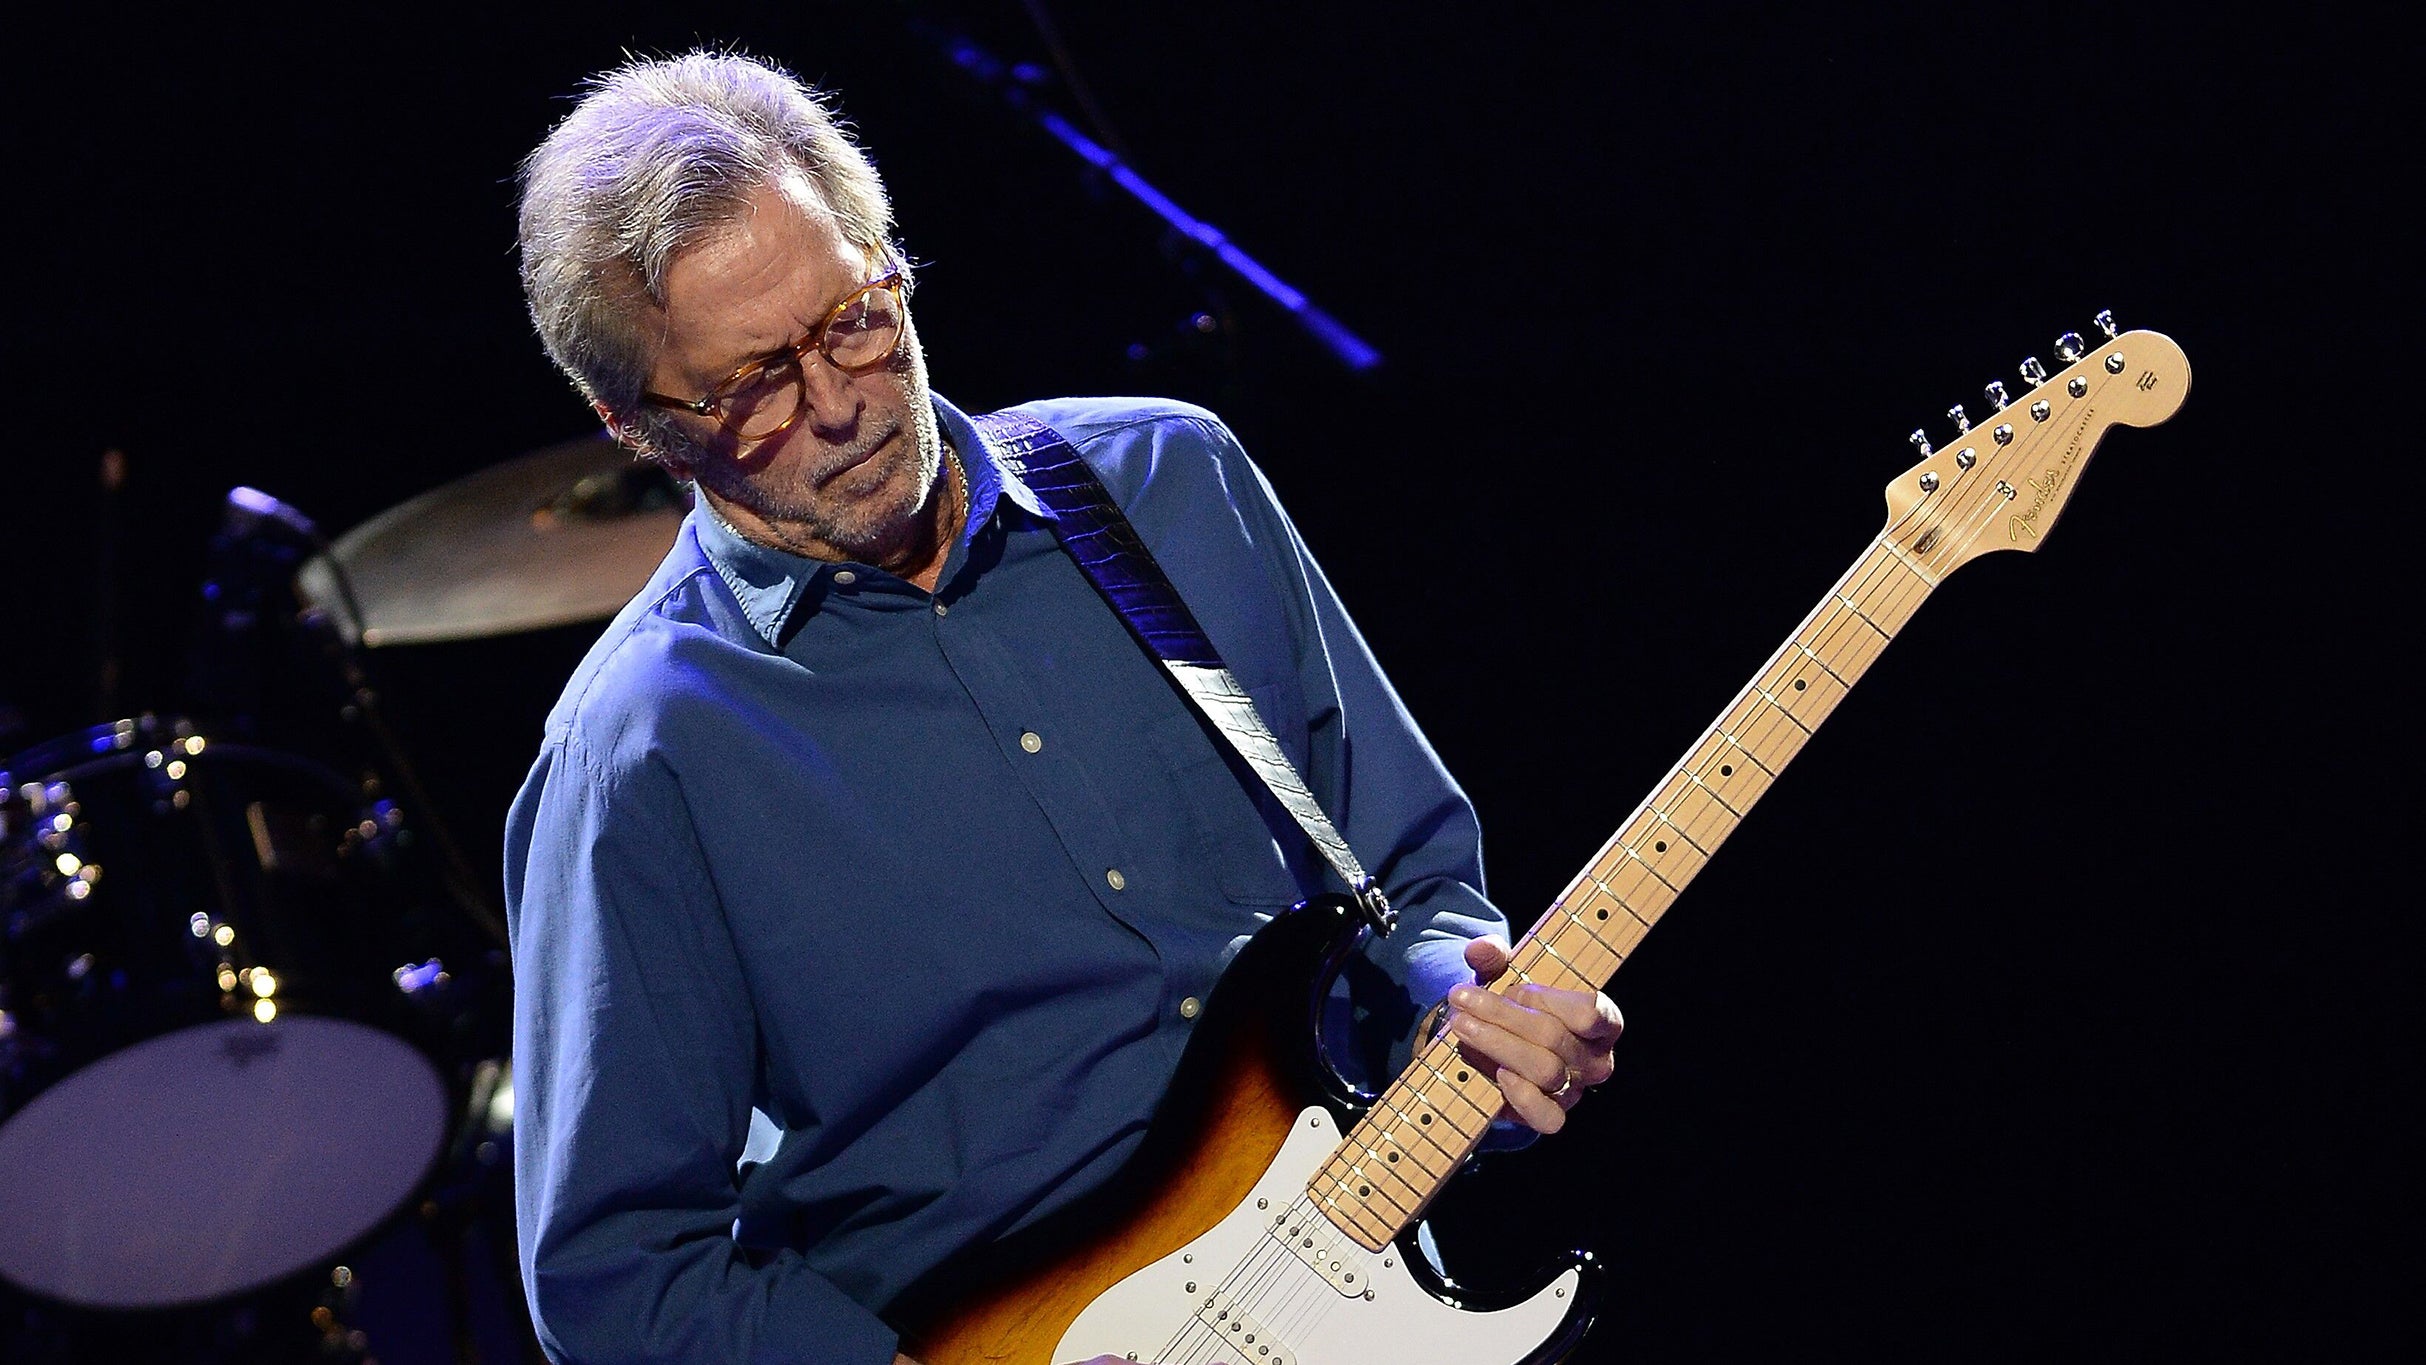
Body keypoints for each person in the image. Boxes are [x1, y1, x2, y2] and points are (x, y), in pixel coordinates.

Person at [504, 50, 1623, 1365]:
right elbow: (618, 1276)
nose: (840, 406)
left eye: (856, 318)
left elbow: (1409, 882)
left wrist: (1468, 1009)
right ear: (639, 424)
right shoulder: (638, 752)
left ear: (889, 258)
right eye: (751, 386)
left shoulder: (1171, 479)